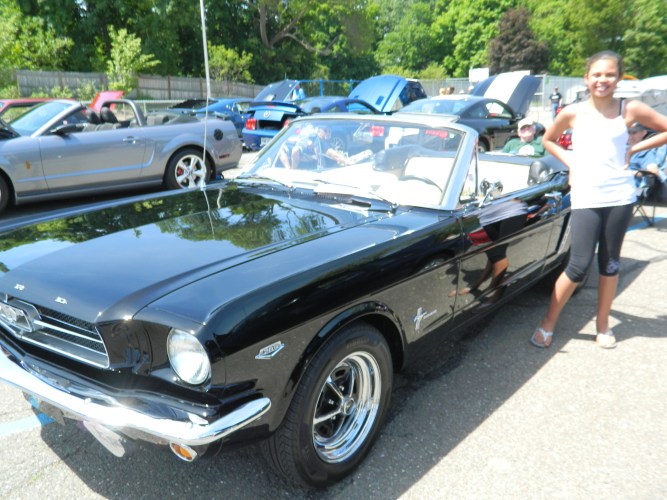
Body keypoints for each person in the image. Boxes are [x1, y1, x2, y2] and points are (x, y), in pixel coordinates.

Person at [530, 50, 667, 349]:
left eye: (609, 74)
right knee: (578, 265)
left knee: (610, 263)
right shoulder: (572, 112)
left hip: (620, 195)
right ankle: (548, 322)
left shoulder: (629, 109)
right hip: (587, 194)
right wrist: (569, 159)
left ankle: (603, 325)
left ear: (618, 78)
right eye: (597, 74)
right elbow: (548, 139)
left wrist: (634, 150)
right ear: (586, 78)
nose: (602, 80)